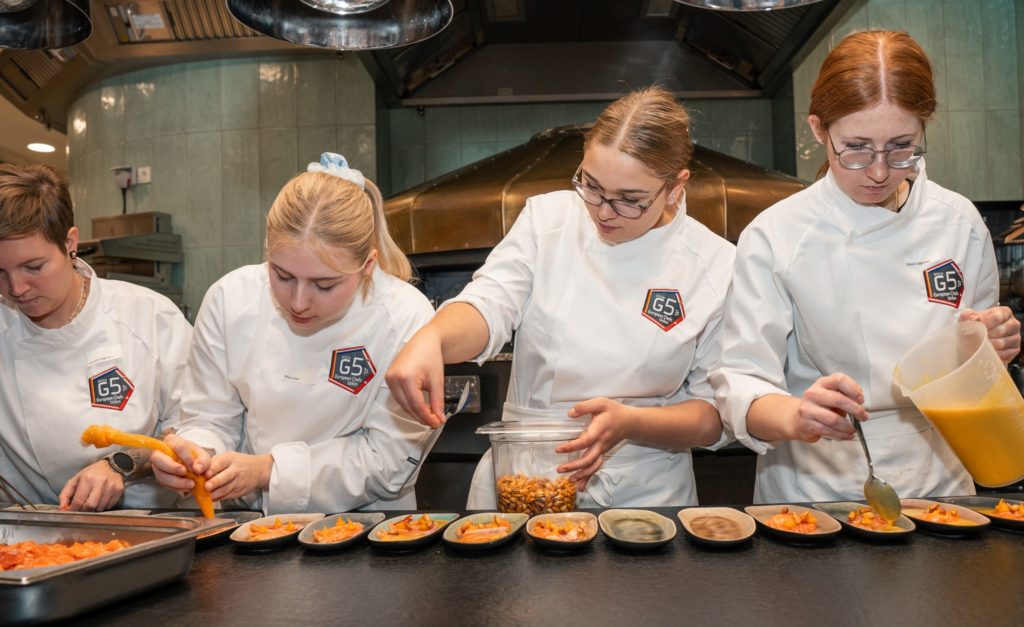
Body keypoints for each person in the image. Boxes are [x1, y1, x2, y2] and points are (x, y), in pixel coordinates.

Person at [386, 87, 735, 509]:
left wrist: (633, 423)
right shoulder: (547, 220)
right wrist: (433, 339)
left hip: (644, 493)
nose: (604, 211)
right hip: (528, 475)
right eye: (591, 185)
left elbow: (714, 415)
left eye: (630, 201)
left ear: (676, 187)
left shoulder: (713, 264)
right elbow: (489, 304)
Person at [711, 30, 1022, 504]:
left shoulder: (958, 223)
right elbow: (741, 381)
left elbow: (974, 365)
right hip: (816, 489)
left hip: (940, 483)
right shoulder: (777, 235)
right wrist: (797, 415)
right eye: (855, 148)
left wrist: (991, 347)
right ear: (819, 130)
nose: (879, 171)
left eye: (902, 147)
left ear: (925, 126)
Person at [152, 154, 435, 514]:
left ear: (367, 266)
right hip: (250, 524)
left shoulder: (406, 317)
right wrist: (196, 454)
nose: (298, 302)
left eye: (324, 284)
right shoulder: (230, 298)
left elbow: (388, 459)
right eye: (282, 276)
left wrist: (270, 470)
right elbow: (209, 417)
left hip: (369, 529)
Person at [0, 163, 192, 511]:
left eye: (33, 267)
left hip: (154, 527)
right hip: (34, 538)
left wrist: (122, 463)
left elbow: (195, 431)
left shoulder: (148, 316)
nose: (16, 288)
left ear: (70, 243)